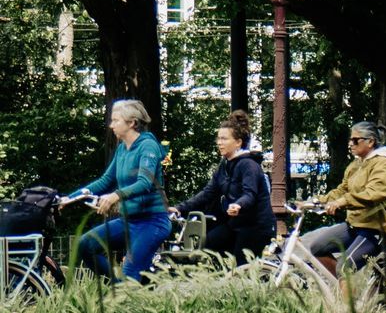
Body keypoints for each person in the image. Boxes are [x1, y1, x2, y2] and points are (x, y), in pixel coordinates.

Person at [64, 99, 170, 283]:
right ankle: (121, 287)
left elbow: (144, 182)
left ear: (132, 123)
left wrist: (115, 196)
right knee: (85, 245)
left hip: (152, 222)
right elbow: (106, 180)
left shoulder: (148, 146)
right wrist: (69, 198)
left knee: (130, 272)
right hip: (129, 220)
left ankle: (126, 291)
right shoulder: (122, 148)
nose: (111, 125)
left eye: (116, 120)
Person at [302, 120, 386, 271]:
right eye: (350, 140)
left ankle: (348, 293)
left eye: (355, 140)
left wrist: (342, 202)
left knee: (344, 267)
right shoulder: (355, 165)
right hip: (356, 224)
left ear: (370, 142)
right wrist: (315, 202)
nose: (350, 144)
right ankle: (344, 289)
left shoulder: (383, 163)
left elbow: (374, 193)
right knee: (318, 248)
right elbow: (342, 191)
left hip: (379, 228)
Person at [173, 110, 273, 263]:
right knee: (205, 247)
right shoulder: (225, 165)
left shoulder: (249, 165)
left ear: (238, 142)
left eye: (224, 139)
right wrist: (180, 208)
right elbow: (208, 192)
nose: (219, 142)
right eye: (218, 138)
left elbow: (250, 194)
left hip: (254, 227)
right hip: (234, 224)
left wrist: (238, 205)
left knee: (241, 268)